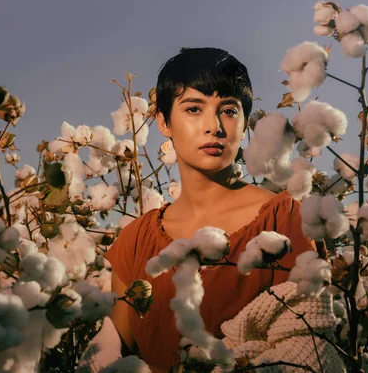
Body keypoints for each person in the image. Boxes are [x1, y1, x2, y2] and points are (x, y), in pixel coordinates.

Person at [102, 47, 318, 372]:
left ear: (245, 123)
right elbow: (120, 357)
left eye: (228, 110)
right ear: (163, 121)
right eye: (193, 108)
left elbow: (306, 347)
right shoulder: (134, 242)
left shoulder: (285, 219)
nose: (214, 126)